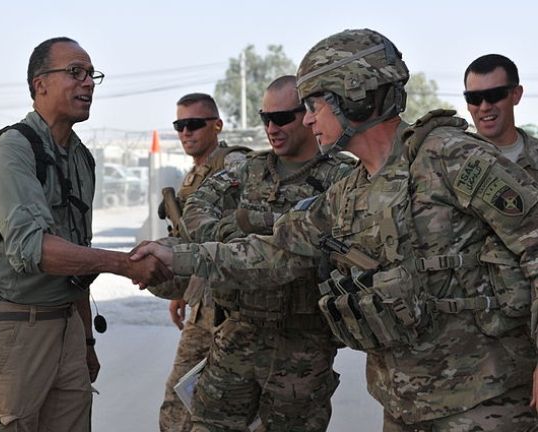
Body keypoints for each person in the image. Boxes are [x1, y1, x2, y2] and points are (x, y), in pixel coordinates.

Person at [132, 29, 538, 432]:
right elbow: (274, 251)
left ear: (354, 98)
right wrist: (176, 256)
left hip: (485, 401)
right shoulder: (349, 191)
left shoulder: (451, 158)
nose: (307, 119)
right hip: (402, 403)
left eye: (314, 104)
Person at [0, 37, 170, 431]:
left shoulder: (79, 158)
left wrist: (86, 341)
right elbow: (33, 250)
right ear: (40, 83)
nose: (88, 83)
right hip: (11, 331)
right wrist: (124, 265)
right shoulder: (12, 151)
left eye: (92, 75)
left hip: (66, 331)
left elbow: (77, 256)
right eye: (75, 72)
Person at [178, 75, 353, 431]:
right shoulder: (249, 169)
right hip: (239, 331)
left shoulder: (343, 177)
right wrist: (230, 233)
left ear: (307, 115)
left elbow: (327, 241)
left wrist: (260, 230)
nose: (272, 128)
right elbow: (196, 208)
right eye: (265, 118)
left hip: (303, 342)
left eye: (282, 118)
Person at [155, 93, 248, 432]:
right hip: (202, 303)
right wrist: (183, 291)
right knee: (179, 398)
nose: (186, 133)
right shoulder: (194, 175)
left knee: (230, 406)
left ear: (217, 126)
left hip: (235, 310)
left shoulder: (235, 163)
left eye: (194, 124)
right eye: (180, 125)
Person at [464, 54, 538, 179]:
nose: (484, 107)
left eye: (494, 95)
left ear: (516, 94)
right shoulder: (450, 161)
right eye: (474, 98)